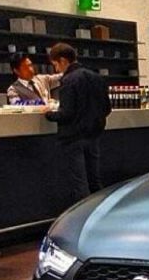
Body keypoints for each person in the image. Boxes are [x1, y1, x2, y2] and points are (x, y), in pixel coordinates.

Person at [43, 43, 111, 205]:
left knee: (79, 183)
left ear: (62, 60)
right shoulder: (96, 77)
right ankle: (100, 212)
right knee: (94, 180)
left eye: (55, 65)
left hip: (73, 138)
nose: (56, 69)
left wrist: (48, 114)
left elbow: (66, 114)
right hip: (94, 135)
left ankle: (83, 216)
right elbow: (107, 108)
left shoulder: (68, 80)